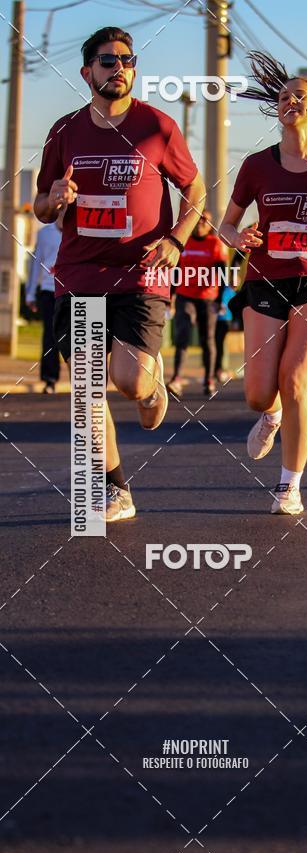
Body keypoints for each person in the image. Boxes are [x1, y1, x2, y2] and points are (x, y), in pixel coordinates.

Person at [34, 26, 205, 522]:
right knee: (87, 390)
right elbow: (42, 205)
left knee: (128, 381)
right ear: (87, 71)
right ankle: (115, 490)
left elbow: (196, 191)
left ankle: (152, 389)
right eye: (108, 61)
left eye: (127, 60)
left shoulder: (156, 126)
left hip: (140, 273)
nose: (119, 68)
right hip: (80, 272)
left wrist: (176, 240)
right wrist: (55, 200)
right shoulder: (65, 132)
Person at [219, 51, 307, 515]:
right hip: (265, 278)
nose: (290, 101)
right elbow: (227, 225)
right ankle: (271, 414)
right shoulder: (257, 165)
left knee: (295, 379)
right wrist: (241, 237)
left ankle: (289, 487)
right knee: (260, 392)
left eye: (300, 96)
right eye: (283, 96)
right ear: (277, 110)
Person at [167, 211, 227, 398]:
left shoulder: (215, 244)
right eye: (198, 219)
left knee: (207, 339)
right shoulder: (184, 241)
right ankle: (176, 378)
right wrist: (171, 296)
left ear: (210, 225)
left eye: (205, 220)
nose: (201, 223)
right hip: (186, 295)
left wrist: (219, 301)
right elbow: (175, 270)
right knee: (182, 335)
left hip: (207, 298)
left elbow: (222, 274)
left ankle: (209, 379)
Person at [26, 212, 63, 393]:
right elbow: (36, 262)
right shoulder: (44, 234)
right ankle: (50, 379)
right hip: (49, 290)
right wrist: (30, 293)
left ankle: (84, 381)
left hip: (73, 290)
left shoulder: (80, 232)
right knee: (50, 335)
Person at [215, 275, 237, 383]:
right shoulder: (227, 291)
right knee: (219, 345)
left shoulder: (230, 291)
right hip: (222, 320)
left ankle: (219, 369)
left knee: (219, 345)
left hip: (224, 321)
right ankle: (219, 369)